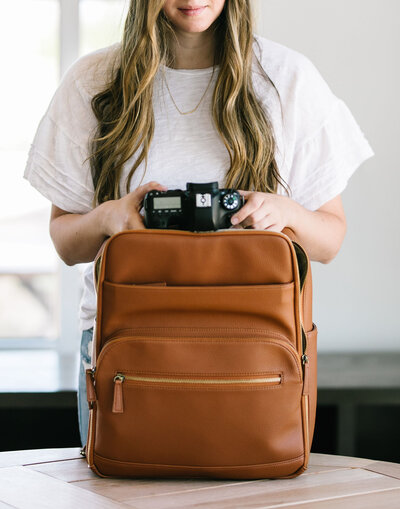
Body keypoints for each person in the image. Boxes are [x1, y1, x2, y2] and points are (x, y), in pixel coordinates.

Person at [23, 0, 373, 448]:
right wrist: (109, 218)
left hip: (254, 342)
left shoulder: (288, 78)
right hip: (124, 342)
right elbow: (65, 242)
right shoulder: (92, 81)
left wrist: (284, 213)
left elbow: (330, 239)